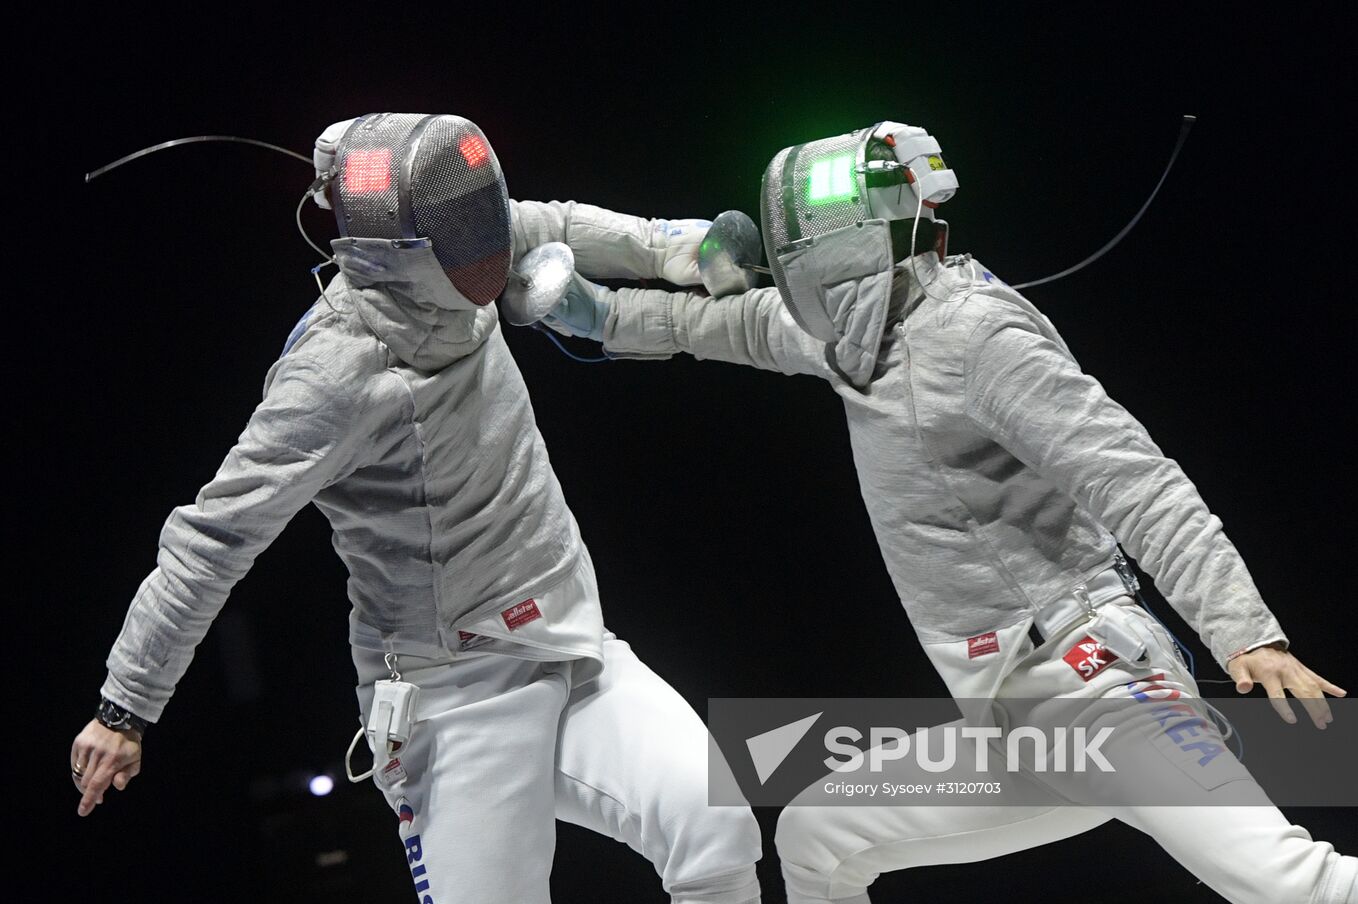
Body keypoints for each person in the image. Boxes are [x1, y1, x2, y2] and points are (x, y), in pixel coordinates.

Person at [540, 120, 1357, 903]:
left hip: (1103, 694)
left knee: (1295, 884)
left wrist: (1245, 631)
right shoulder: (856, 334)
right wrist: (600, 316)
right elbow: (726, 323)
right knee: (817, 836)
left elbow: (1135, 480)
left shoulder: (977, 336)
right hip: (1016, 725)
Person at [69, 113, 762, 904]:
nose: (493, 243)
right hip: (455, 699)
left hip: (573, 651)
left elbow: (563, 224)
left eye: (484, 212)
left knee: (716, 824)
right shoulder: (334, 374)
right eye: (465, 224)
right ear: (394, 248)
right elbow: (213, 539)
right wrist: (124, 706)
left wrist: (689, 248)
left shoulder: (463, 245)